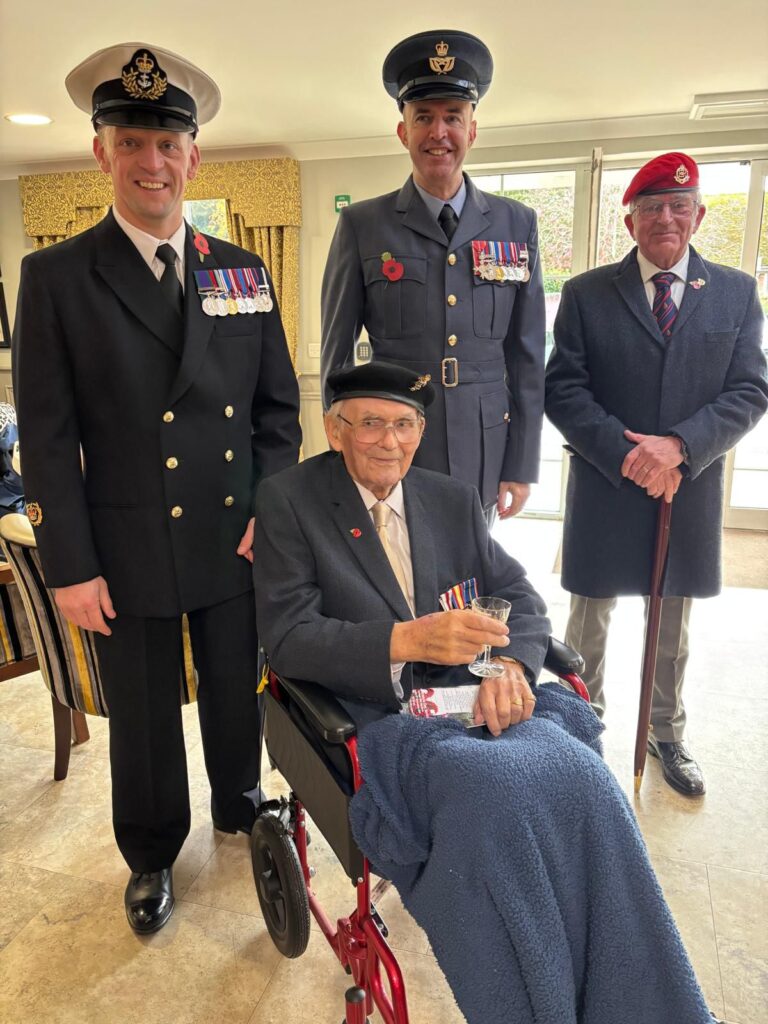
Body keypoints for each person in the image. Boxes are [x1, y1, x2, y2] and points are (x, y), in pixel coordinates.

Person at [252, 362, 719, 1024]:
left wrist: (514, 670)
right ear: (335, 430)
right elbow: (290, 636)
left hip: (476, 696)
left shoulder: (447, 499)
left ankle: (637, 997)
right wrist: (407, 641)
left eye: (406, 425)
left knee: (584, 780)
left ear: (420, 431)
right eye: (371, 424)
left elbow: (521, 597)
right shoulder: (289, 501)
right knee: (495, 798)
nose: (390, 442)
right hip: (378, 717)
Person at [12, 42, 301, 933]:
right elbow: (49, 440)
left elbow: (277, 413)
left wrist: (270, 511)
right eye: (131, 140)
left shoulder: (239, 272)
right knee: (140, 713)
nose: (151, 162)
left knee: (231, 684)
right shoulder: (57, 278)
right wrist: (68, 565)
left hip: (229, 532)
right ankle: (149, 851)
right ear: (101, 151)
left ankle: (238, 803)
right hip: (125, 538)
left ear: (194, 157)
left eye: (167, 143)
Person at [545, 152, 768, 796]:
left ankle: (665, 732)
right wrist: (629, 454)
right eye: (650, 209)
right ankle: (580, 722)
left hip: (688, 484)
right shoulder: (587, 293)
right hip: (607, 480)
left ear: (697, 216)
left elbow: (750, 391)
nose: (664, 218)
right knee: (590, 614)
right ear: (631, 222)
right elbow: (563, 390)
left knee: (672, 620)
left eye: (677, 207)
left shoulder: (733, 291)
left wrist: (678, 446)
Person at [321, 29, 545, 520]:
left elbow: (527, 355)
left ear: (472, 129)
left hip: (485, 445)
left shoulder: (517, 223)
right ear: (403, 131)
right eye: (423, 117)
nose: (438, 132)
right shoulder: (363, 224)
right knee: (393, 574)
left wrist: (522, 461)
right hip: (391, 439)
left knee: (471, 575)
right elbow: (336, 350)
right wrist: (340, 440)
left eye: (452, 117)